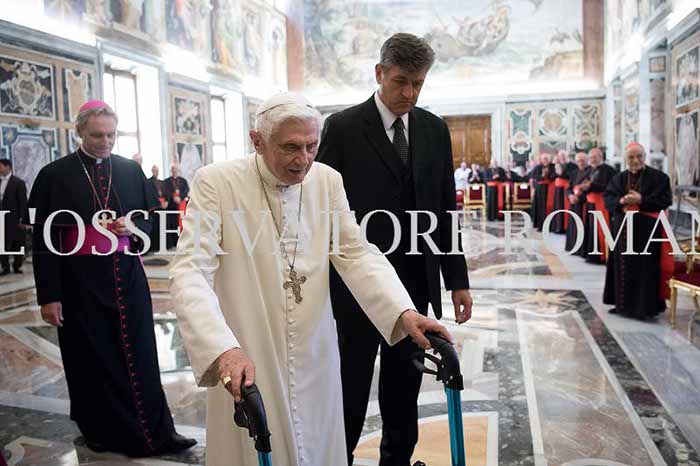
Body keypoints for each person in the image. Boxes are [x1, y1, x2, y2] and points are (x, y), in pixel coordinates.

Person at [169, 92, 455, 466]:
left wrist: (404, 311)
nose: (303, 159)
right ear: (257, 141)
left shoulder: (326, 180)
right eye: (290, 147)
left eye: (311, 146)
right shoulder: (217, 183)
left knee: (319, 444)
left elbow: (355, 252)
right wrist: (222, 349)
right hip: (251, 346)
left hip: (315, 350)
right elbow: (190, 269)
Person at [316, 33, 472, 466]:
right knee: (350, 384)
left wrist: (457, 279)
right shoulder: (343, 127)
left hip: (415, 283)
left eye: (418, 84)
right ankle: (339, 458)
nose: (410, 93)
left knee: (404, 386)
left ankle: (397, 461)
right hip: (356, 287)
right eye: (401, 81)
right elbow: (320, 207)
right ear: (380, 73)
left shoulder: (434, 129)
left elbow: (444, 207)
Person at [27, 100, 195, 456]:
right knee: (90, 358)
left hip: (127, 276)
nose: (105, 141)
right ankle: (98, 429)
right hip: (79, 282)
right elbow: (44, 240)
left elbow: (154, 223)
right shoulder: (55, 175)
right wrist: (49, 295)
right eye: (97, 135)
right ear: (80, 132)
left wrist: (133, 226)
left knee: (141, 354)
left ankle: (159, 431)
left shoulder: (130, 171)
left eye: (111, 135)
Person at [603, 142, 672, 319]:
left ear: (645, 156)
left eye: (639, 156)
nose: (635, 160)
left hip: (647, 232)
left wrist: (641, 199)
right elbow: (608, 198)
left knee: (645, 269)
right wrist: (620, 202)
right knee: (622, 267)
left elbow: (665, 201)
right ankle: (622, 306)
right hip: (622, 231)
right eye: (631, 157)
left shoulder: (660, 178)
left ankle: (644, 308)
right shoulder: (618, 178)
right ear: (625, 159)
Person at [582, 147, 616, 263]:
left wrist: (591, 186)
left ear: (601, 157)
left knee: (601, 229)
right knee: (591, 229)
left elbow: (610, 188)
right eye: (591, 157)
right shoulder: (589, 170)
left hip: (602, 204)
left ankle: (601, 256)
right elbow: (585, 184)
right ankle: (591, 255)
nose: (593, 160)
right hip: (590, 204)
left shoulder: (609, 170)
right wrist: (584, 188)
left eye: (595, 157)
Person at [0, 159, 28, 274]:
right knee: (2, 243)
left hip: (14, 219)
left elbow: (23, 202)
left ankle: (17, 265)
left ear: (8, 167)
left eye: (0, 166)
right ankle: (5, 267)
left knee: (17, 243)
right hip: (2, 218)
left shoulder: (18, 183)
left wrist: (23, 218)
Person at [565, 152, 591, 254]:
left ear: (587, 160)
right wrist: (570, 195)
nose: (581, 163)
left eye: (583, 161)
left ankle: (581, 249)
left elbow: (590, 189)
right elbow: (569, 188)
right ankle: (573, 247)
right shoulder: (574, 172)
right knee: (573, 226)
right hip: (573, 203)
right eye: (578, 161)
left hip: (584, 204)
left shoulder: (590, 172)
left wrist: (579, 198)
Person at [162, 164, 189, 250]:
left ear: (178, 170)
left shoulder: (183, 180)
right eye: (173, 169)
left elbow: (186, 190)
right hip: (172, 206)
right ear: (171, 170)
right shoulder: (166, 181)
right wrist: (173, 197)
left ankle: (183, 240)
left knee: (182, 223)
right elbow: (166, 191)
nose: (174, 170)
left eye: (175, 169)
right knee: (173, 223)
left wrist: (180, 197)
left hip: (181, 204)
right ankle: (174, 241)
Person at [530, 153, 556, 231]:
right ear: (541, 160)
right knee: (540, 208)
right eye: (544, 159)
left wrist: (548, 176)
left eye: (547, 159)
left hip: (550, 189)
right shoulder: (537, 167)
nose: (545, 160)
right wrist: (542, 175)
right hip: (540, 190)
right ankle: (540, 225)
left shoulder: (553, 166)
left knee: (550, 207)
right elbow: (533, 176)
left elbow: (555, 175)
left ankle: (551, 226)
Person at [147, 165, 167, 253]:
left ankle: (163, 245)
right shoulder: (148, 182)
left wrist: (167, 202)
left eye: (157, 170)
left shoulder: (162, 182)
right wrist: (159, 203)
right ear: (152, 171)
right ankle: (156, 246)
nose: (156, 172)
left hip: (163, 207)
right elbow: (150, 195)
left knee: (163, 227)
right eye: (154, 170)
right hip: (155, 208)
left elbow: (166, 193)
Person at [551, 162, 571, 234]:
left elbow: (570, 176)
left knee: (564, 208)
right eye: (556, 168)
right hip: (558, 192)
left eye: (558, 168)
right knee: (558, 208)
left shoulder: (569, 169)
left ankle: (564, 227)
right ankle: (558, 227)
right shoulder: (555, 172)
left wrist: (561, 174)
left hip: (564, 192)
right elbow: (551, 176)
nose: (557, 169)